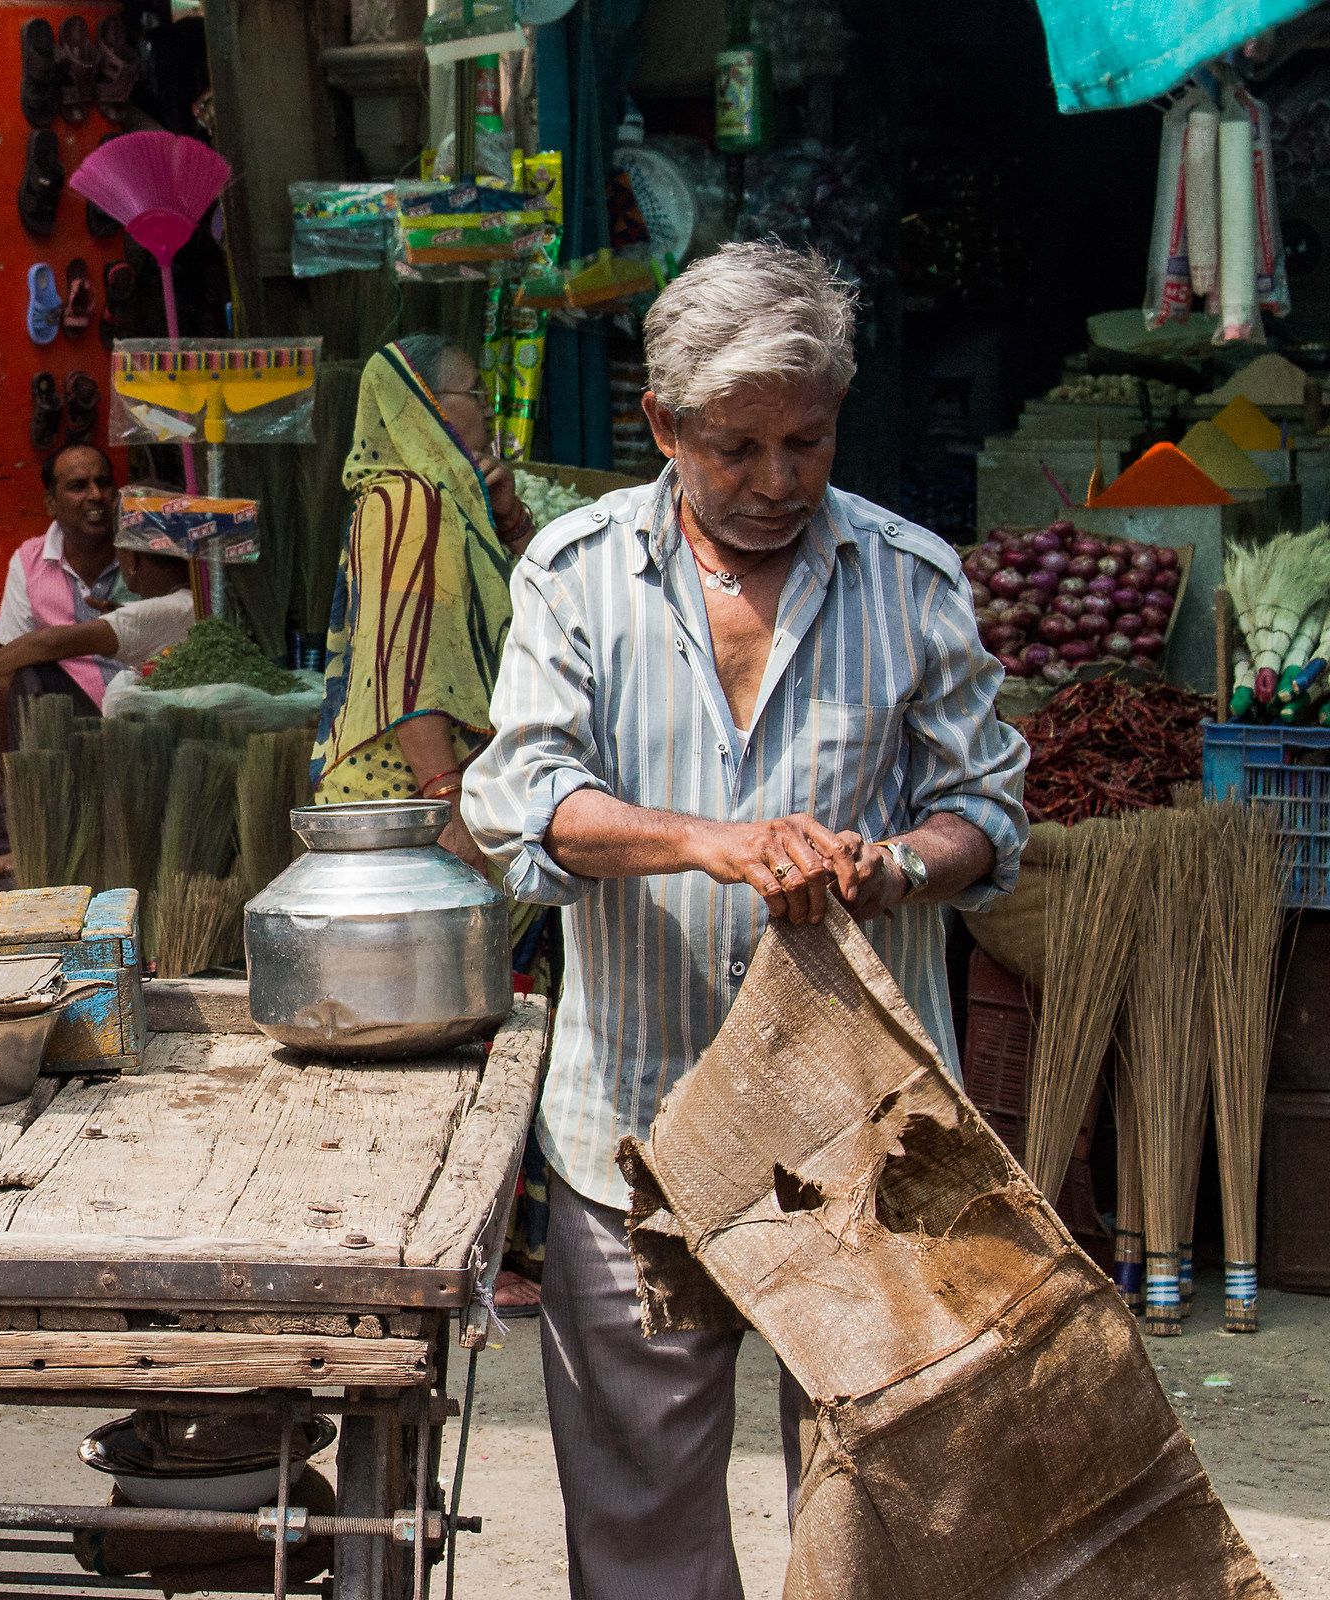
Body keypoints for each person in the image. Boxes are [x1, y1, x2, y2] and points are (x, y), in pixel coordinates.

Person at [458, 242, 1029, 1597]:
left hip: (865, 1131)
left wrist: (888, 868)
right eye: (739, 448)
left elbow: (988, 814)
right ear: (663, 426)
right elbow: (518, 801)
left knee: (888, 1492)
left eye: (807, 442)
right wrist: (705, 844)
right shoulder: (576, 573)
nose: (778, 481)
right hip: (636, 1131)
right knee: (644, 1517)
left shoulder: (908, 575)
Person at [310, 334, 534, 869]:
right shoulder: (410, 503)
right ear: (425, 404)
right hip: (410, 808)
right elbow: (406, 667)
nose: (486, 409)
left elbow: (558, 606)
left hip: (425, 805)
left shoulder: (447, 505)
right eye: (475, 393)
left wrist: (510, 522)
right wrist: (449, 805)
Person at [0, 538, 193, 730]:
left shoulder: (160, 612)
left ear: (131, 559)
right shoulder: (186, 605)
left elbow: (50, 643)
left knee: (33, 673)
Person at [0, 443, 124, 730]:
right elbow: (5, 669)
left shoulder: (146, 556)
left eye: (104, 483)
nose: (96, 496)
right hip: (68, 727)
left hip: (146, 717)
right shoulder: (29, 562)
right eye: (78, 486)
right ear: (51, 504)